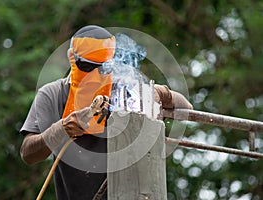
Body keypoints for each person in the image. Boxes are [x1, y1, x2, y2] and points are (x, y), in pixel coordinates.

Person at [19, 25, 192, 200]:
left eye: (102, 68)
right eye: (87, 66)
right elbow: (28, 153)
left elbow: (187, 110)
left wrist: (161, 92)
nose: (94, 75)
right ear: (72, 58)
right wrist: (60, 129)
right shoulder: (53, 95)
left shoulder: (122, 92)